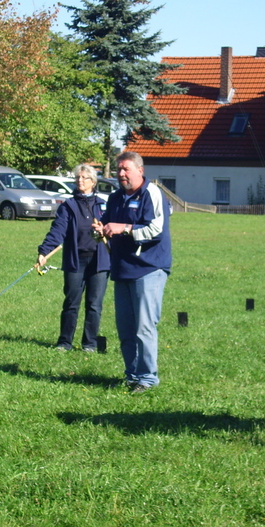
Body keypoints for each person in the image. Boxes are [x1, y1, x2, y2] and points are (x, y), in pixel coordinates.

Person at [92, 152, 171, 394]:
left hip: (149, 268)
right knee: (125, 327)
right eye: (119, 169)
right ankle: (132, 374)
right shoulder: (115, 197)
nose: (121, 174)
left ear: (140, 170)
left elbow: (157, 229)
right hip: (122, 268)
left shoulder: (152, 193)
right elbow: (106, 223)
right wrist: (101, 230)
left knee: (144, 326)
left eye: (126, 169)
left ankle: (148, 379)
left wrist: (124, 228)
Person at [36, 164, 110, 352]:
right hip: (75, 260)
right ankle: (64, 342)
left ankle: (90, 344)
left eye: (85, 177)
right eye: (78, 177)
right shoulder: (68, 206)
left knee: (94, 305)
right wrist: (45, 251)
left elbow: (113, 229)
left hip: (99, 261)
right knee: (71, 303)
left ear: (93, 182)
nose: (80, 180)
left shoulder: (103, 204)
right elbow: (57, 230)